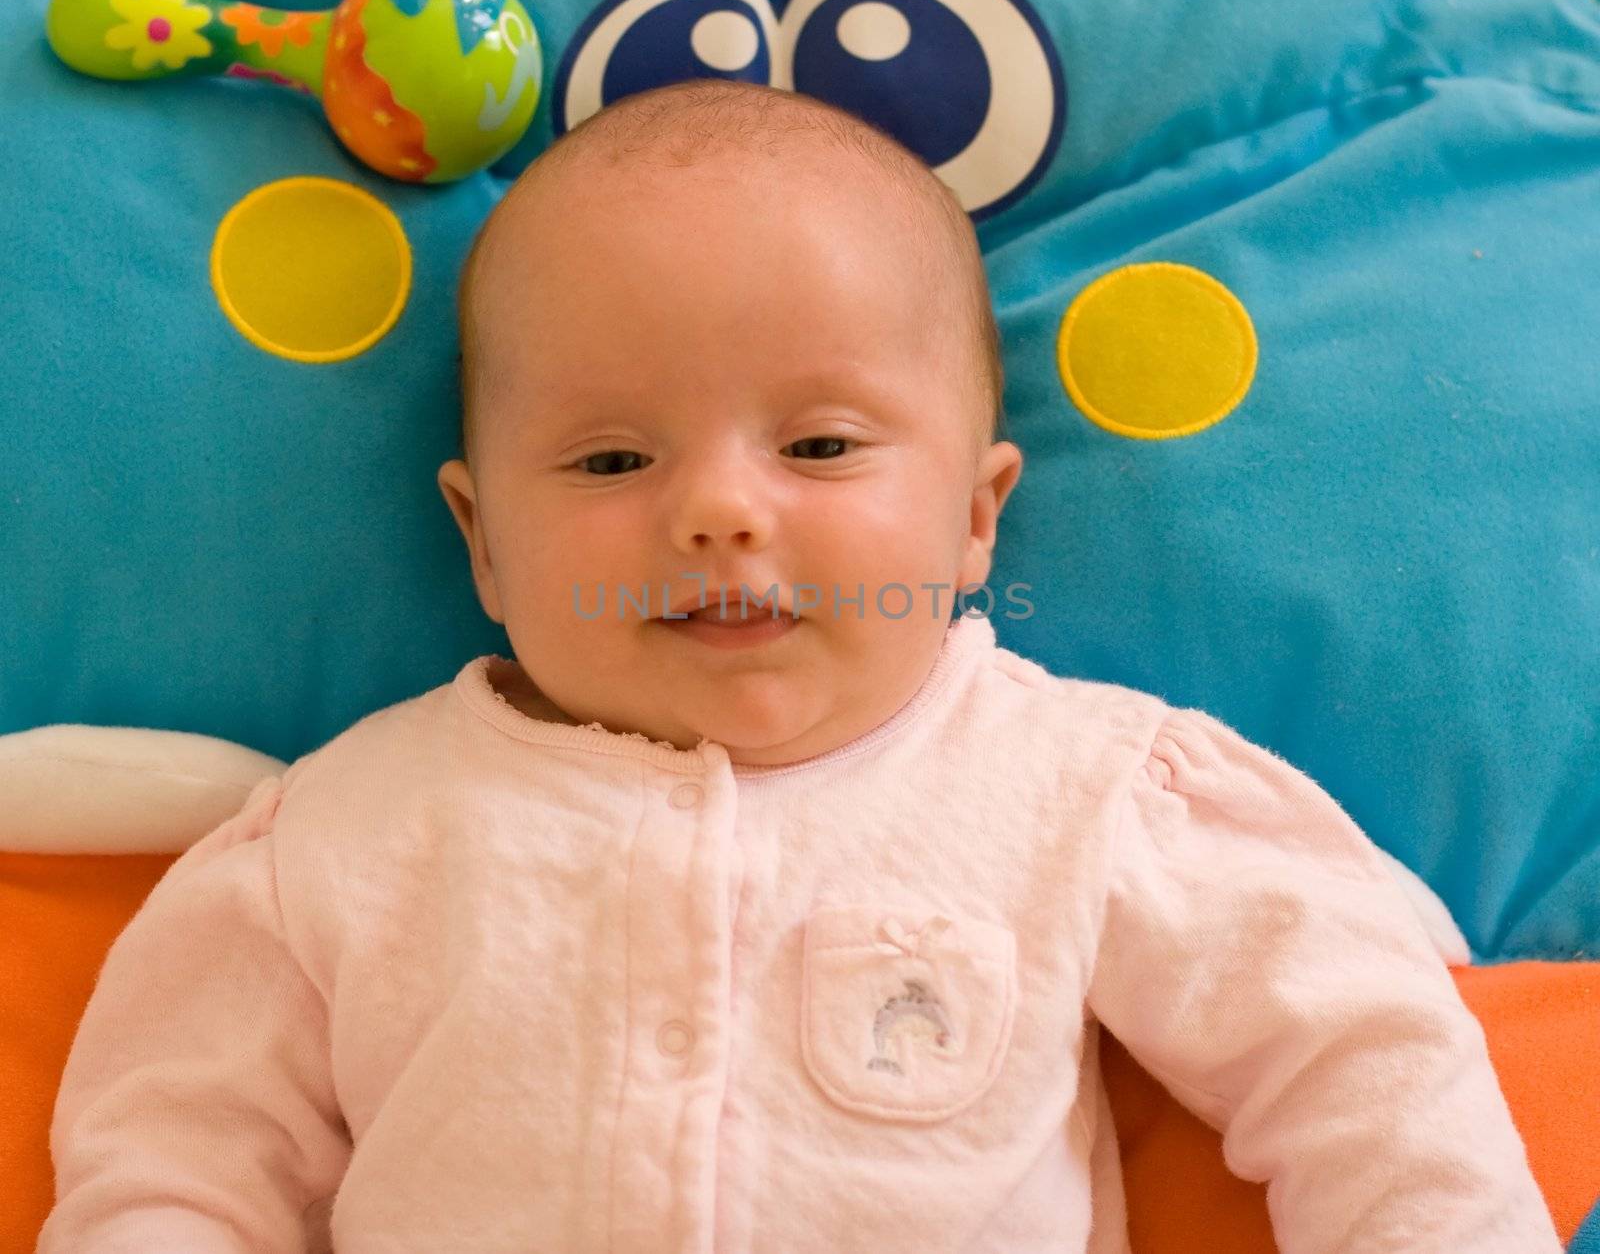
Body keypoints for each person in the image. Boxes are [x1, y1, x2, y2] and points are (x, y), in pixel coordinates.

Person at [40, 79, 1561, 1253]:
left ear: (974, 518)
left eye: (821, 445)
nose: (717, 509)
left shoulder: (1076, 792)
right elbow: (173, 1160)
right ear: (483, 541)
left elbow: (1361, 1054)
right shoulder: (343, 840)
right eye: (613, 455)